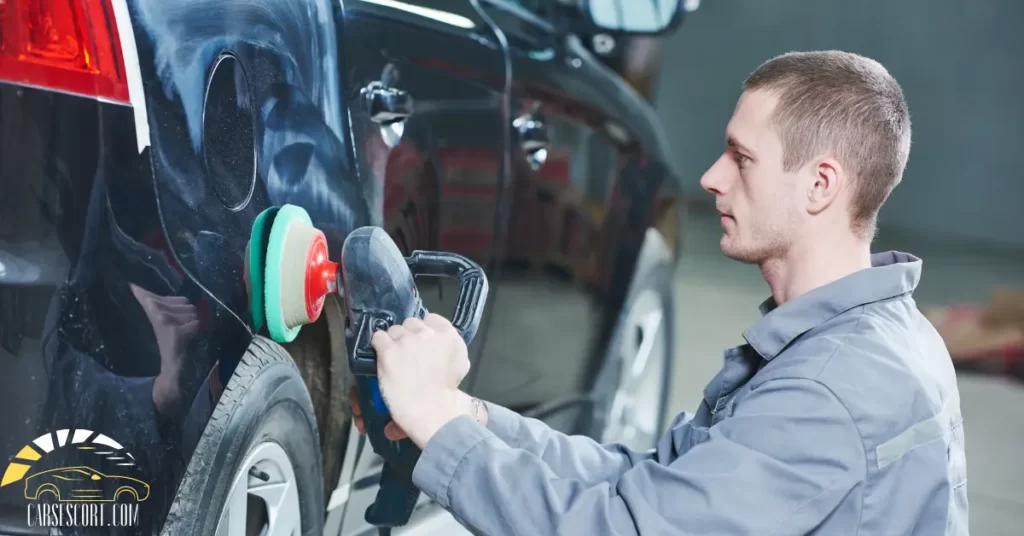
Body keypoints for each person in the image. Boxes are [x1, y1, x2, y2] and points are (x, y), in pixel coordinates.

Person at [352, 50, 969, 535]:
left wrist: (435, 423)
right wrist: (467, 418)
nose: (711, 178)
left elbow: (620, 528)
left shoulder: (828, 393)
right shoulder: (878, 335)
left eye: (741, 158)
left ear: (820, 184)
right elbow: (654, 484)